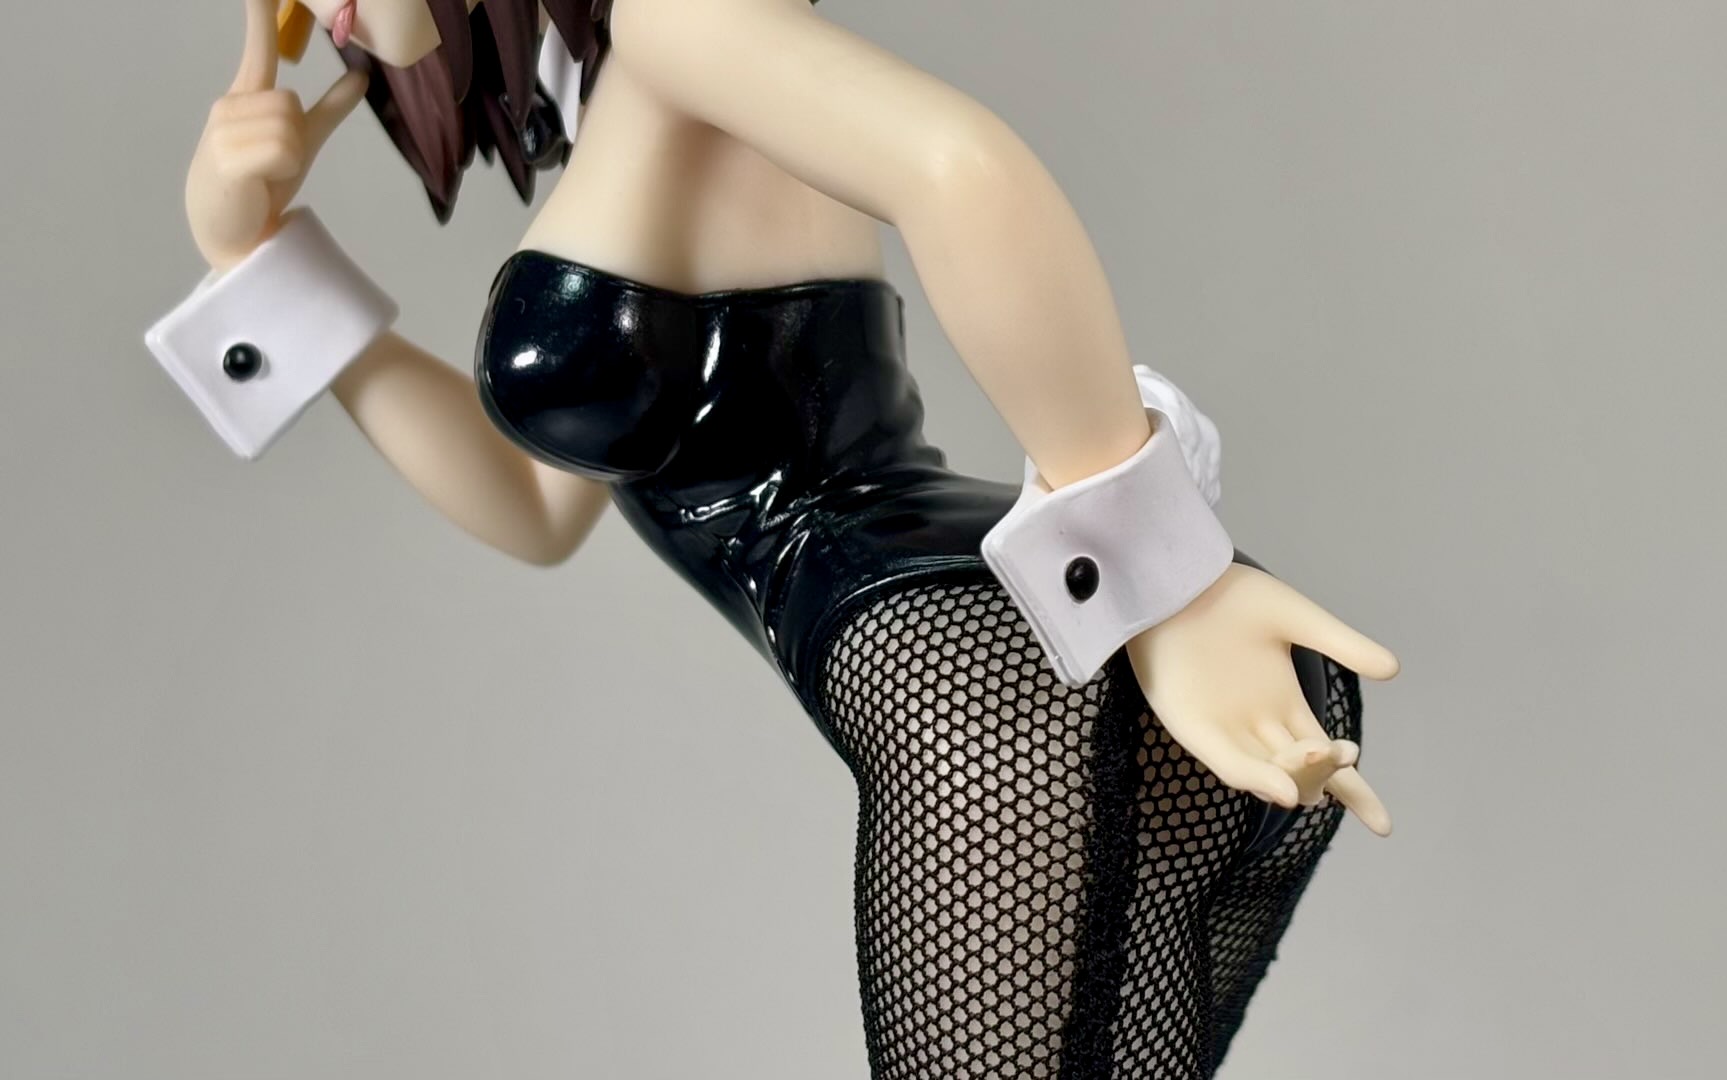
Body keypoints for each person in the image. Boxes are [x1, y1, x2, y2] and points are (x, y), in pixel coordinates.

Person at [145, 2, 1402, 1075]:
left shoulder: (677, 18)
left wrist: (1160, 579)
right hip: (980, 674)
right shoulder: (623, 100)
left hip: (981, 698)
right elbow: (533, 507)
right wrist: (250, 263)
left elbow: (957, 169)